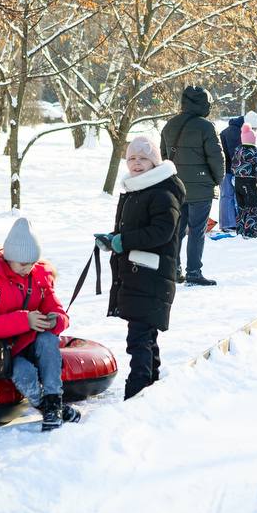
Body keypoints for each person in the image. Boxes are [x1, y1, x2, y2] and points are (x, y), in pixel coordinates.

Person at [0, 218, 78, 431]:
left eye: (32, 263)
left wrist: (55, 319)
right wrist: (24, 320)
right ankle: (47, 406)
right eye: (22, 264)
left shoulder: (40, 276)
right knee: (23, 372)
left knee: (48, 340)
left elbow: (59, 312)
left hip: (32, 342)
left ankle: (54, 401)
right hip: (4, 349)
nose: (28, 268)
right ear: (9, 258)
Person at [102, 135, 186, 400]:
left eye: (143, 159)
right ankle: (150, 388)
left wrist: (123, 241)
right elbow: (133, 228)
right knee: (146, 335)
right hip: (137, 275)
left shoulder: (162, 192)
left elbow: (162, 232)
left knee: (139, 338)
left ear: (154, 162)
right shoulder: (136, 190)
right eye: (132, 158)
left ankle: (136, 390)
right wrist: (113, 239)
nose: (136, 163)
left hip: (151, 276)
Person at [159, 86, 224, 286]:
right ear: (205, 104)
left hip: (176, 187)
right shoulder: (206, 127)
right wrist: (216, 180)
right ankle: (194, 272)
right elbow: (216, 158)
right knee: (197, 231)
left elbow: (163, 156)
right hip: (201, 187)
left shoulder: (169, 125)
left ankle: (174, 269)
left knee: (177, 231)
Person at [218, 111, 257, 235]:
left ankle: (233, 222)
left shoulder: (238, 130)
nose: (254, 131)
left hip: (231, 169)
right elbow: (236, 155)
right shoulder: (234, 133)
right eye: (253, 129)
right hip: (229, 169)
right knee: (228, 196)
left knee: (231, 196)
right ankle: (229, 224)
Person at [230, 124, 257, 239]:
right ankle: (249, 232)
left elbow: (233, 167)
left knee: (242, 208)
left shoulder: (238, 150)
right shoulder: (254, 153)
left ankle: (240, 231)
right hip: (249, 183)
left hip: (238, 182)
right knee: (254, 208)